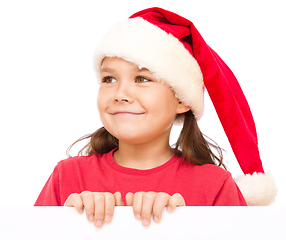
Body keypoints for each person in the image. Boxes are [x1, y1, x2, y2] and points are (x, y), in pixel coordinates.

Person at [34, 7, 277, 228]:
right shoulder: (67, 178)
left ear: (182, 99)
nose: (120, 94)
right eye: (109, 79)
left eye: (142, 79)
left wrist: (182, 226)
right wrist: (68, 224)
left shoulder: (215, 186)